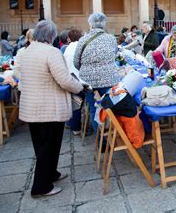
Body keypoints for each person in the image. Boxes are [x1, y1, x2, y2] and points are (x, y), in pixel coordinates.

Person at [19, 20, 83, 198]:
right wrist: (79, 87)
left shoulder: (28, 50)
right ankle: (41, 187)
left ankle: (51, 173)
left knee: (42, 145)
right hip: (48, 107)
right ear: (52, 35)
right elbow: (64, 79)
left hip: (31, 106)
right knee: (49, 146)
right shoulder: (51, 52)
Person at [74, 12, 118, 133]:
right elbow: (115, 55)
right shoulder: (111, 39)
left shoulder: (83, 40)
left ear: (90, 24)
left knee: (94, 108)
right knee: (110, 107)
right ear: (104, 24)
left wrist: (87, 70)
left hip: (89, 82)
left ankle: (101, 139)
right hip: (109, 79)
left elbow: (76, 62)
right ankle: (112, 137)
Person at [63, 28, 83, 136]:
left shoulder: (67, 48)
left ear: (69, 38)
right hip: (82, 78)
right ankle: (76, 127)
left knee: (75, 104)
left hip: (71, 78)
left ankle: (73, 125)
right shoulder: (81, 46)